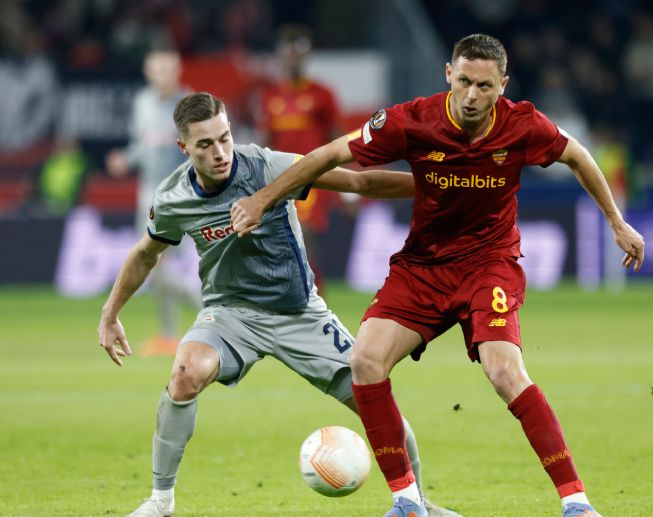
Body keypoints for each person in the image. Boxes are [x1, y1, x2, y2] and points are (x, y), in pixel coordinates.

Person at [231, 34, 646, 517]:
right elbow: (329, 155)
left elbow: (577, 155)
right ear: (448, 75)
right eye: (464, 82)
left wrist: (616, 221)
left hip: (489, 263)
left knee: (504, 371)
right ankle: (407, 501)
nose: (472, 96)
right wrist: (262, 199)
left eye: (485, 86)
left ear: (502, 85)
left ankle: (576, 502)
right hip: (423, 267)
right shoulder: (412, 120)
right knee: (365, 362)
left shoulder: (523, 125)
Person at [97, 92, 460, 517]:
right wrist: (110, 314)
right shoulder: (173, 197)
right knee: (184, 373)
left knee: (373, 397)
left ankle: (417, 503)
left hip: (299, 313)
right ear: (184, 148)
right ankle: (160, 502)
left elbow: (360, 182)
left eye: (225, 138)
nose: (220, 153)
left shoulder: (266, 165)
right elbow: (146, 253)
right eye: (205, 145)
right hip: (230, 314)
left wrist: (442, 185)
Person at [106, 48, 200, 355]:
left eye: (166, 70)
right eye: (155, 70)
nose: (160, 76)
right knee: (154, 265)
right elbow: (141, 144)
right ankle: (171, 333)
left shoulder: (190, 105)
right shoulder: (142, 103)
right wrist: (126, 158)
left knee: (158, 265)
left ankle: (207, 312)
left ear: (177, 72)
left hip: (181, 194)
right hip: (148, 195)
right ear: (148, 72)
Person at [257, 24, 347, 295]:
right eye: (289, 53)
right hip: (281, 176)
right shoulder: (270, 96)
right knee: (285, 240)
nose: (293, 58)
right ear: (281, 56)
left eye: (299, 53)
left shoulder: (322, 94)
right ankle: (300, 293)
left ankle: (315, 294)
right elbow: (266, 140)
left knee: (304, 233)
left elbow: (339, 138)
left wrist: (348, 184)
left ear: (306, 56)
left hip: (313, 177)